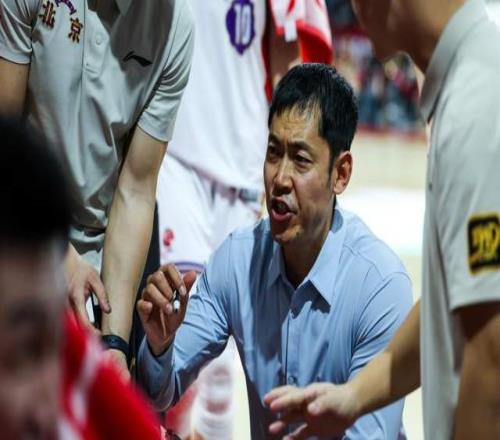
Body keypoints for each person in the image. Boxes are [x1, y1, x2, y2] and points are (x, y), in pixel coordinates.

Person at [137, 63, 413, 439]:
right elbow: (157, 393)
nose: (280, 178)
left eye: (300, 159)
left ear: (341, 173)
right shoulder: (237, 260)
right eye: (273, 153)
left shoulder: (379, 287)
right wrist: (159, 345)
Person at [264, 1, 500, 439]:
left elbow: (491, 355)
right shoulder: (475, 78)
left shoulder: (477, 105)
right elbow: (457, 305)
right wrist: (354, 396)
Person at [155, 1, 333, 437]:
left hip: (243, 164)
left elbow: (288, 65)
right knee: (184, 322)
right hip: (176, 154)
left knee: (223, 358)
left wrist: (285, 168)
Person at [0, 0, 194, 373]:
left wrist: (114, 343)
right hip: (17, 225)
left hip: (97, 256)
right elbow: (5, 138)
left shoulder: (175, 27)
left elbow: (135, 189)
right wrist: (58, 252)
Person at [0, 118, 162, 439]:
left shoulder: (71, 355)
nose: (49, 407)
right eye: (23, 352)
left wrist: (115, 345)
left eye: (50, 350)